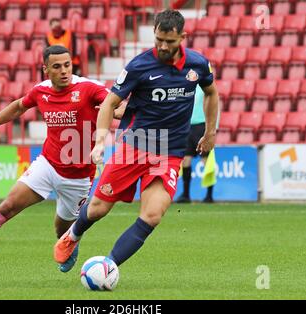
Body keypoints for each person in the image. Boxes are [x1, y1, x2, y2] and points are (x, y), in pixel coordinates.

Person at [0, 45, 123, 278]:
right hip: (47, 165)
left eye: (67, 65)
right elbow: (17, 107)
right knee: (7, 207)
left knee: (61, 229)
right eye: (57, 67)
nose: (64, 70)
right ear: (46, 69)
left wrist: (118, 112)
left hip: (78, 176)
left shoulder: (87, 88)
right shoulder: (41, 91)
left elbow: (115, 104)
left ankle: (70, 243)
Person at [53, 9, 219, 270]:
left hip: (169, 150)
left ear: (183, 37)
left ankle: (108, 267)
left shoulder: (197, 65)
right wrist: (100, 142)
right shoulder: (139, 66)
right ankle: (72, 235)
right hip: (135, 143)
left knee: (153, 215)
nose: (163, 46)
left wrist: (210, 132)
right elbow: (110, 104)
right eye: (158, 40)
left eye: (170, 41)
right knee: (97, 209)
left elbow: (211, 92)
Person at [175, 85, 214, 203]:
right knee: (186, 160)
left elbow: (213, 105)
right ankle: (186, 194)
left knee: (206, 161)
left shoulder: (205, 86)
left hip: (202, 126)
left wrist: (213, 128)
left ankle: (209, 195)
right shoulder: (185, 86)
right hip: (187, 126)